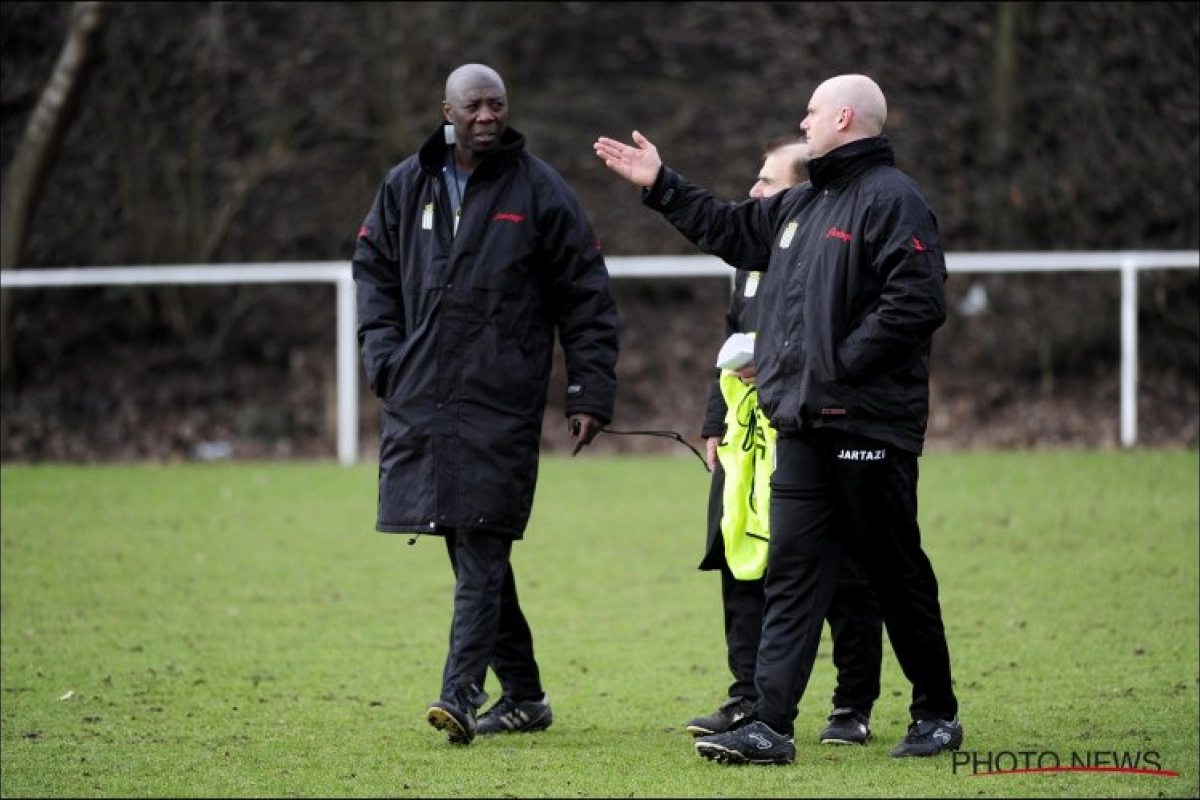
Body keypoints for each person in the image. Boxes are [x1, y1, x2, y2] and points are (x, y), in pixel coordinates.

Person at [594, 73, 962, 765]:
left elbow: (916, 302)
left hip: (867, 427)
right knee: (792, 571)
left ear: (845, 117)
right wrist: (660, 183)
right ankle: (770, 724)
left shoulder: (894, 200)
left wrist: (834, 364)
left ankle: (936, 712)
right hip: (800, 424)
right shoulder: (799, 206)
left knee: (890, 569)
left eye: (814, 110)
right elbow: (730, 228)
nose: (804, 119)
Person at [353, 63, 619, 746]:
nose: (487, 117)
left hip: (501, 401)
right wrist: (383, 356)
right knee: (468, 542)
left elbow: (586, 294)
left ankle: (459, 695)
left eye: (497, 105)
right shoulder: (405, 186)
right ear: (447, 109)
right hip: (422, 396)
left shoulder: (539, 190)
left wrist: (589, 388)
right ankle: (525, 697)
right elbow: (374, 271)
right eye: (474, 106)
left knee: (480, 542)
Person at [687, 137, 885, 748]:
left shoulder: (832, 255)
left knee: (844, 574)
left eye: (766, 182)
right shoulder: (751, 258)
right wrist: (716, 421)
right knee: (739, 557)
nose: (754, 191)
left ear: (801, 190)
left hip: (812, 430)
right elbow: (731, 341)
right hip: (747, 438)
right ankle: (748, 697)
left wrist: (775, 363)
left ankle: (852, 704)